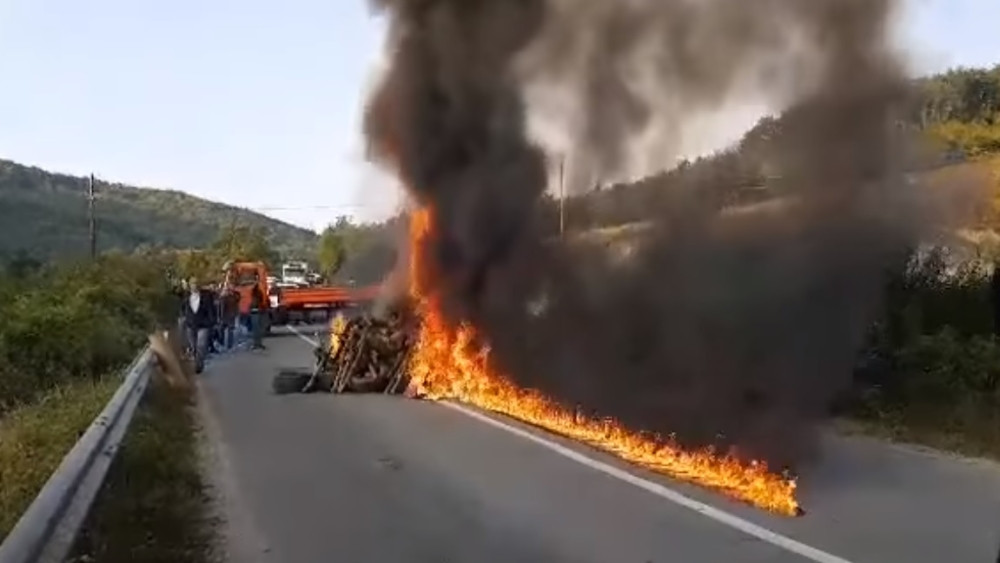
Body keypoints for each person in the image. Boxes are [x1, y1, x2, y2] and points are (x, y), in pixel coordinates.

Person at [181, 276, 217, 374]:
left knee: (201, 346)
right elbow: (183, 308)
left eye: (196, 283)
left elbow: (211, 309)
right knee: (193, 347)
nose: (194, 285)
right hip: (191, 325)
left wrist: (212, 321)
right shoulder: (186, 296)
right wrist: (185, 318)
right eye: (192, 284)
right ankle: (196, 363)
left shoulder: (206, 295)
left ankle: (198, 365)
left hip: (204, 325)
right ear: (190, 285)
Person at [248, 279, 266, 351]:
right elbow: (261, 301)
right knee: (258, 329)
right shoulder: (258, 293)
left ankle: (256, 344)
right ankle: (258, 343)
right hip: (258, 311)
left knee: (255, 329)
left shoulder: (253, 294)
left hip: (254, 312)